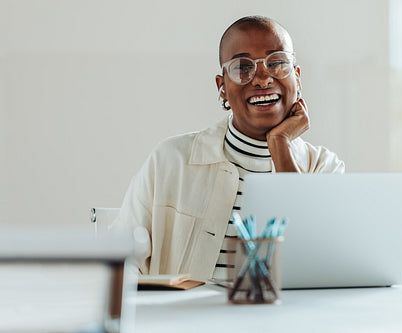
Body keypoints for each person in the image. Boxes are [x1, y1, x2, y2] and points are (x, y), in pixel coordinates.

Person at [112, 16, 345, 280]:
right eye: (242, 68)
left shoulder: (325, 168)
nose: (262, 78)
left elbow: (319, 263)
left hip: (283, 320)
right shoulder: (170, 160)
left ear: (297, 77)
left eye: (277, 63)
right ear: (222, 87)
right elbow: (120, 264)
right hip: (185, 319)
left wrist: (280, 145)